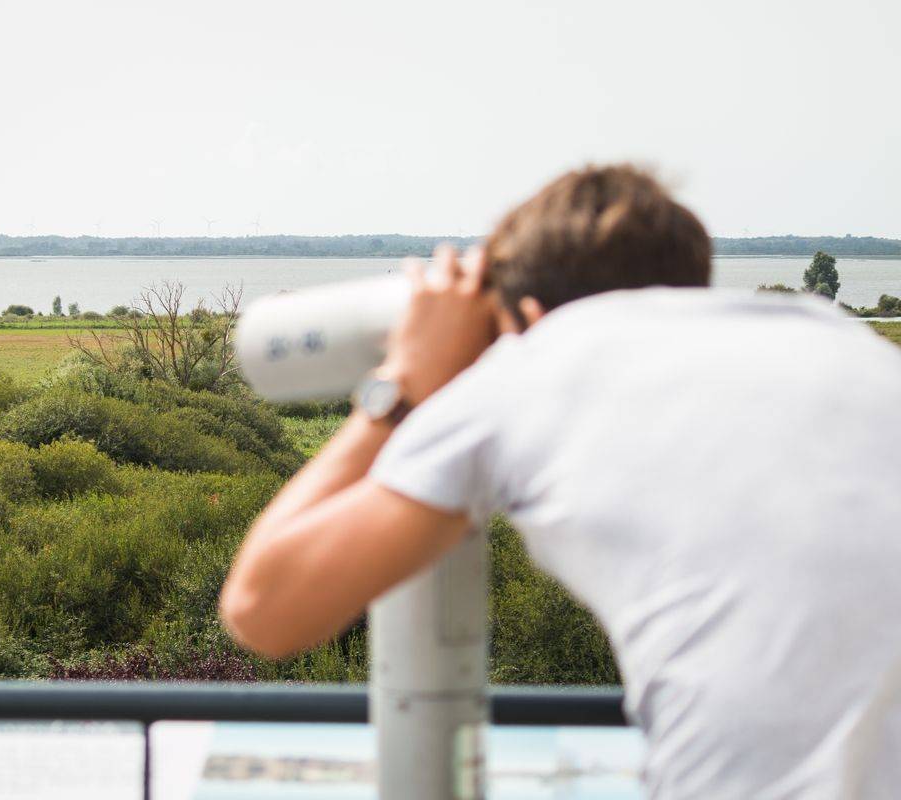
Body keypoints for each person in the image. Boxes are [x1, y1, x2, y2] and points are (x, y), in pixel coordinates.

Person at [219, 164, 901, 798]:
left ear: (523, 315)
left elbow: (263, 609)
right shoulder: (837, 341)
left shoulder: (536, 366)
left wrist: (406, 383)